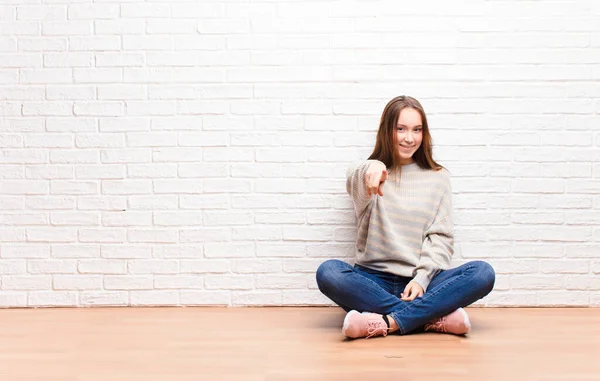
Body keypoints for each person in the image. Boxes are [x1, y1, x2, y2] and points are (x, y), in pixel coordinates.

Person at [316, 96, 496, 339]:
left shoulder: (438, 177)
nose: (409, 138)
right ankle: (430, 318)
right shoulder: (371, 174)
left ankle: (385, 322)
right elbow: (354, 178)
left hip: (422, 283)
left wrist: (422, 280)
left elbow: (441, 239)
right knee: (329, 272)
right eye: (400, 129)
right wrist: (372, 167)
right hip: (372, 279)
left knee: (482, 273)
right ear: (386, 130)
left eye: (416, 130)